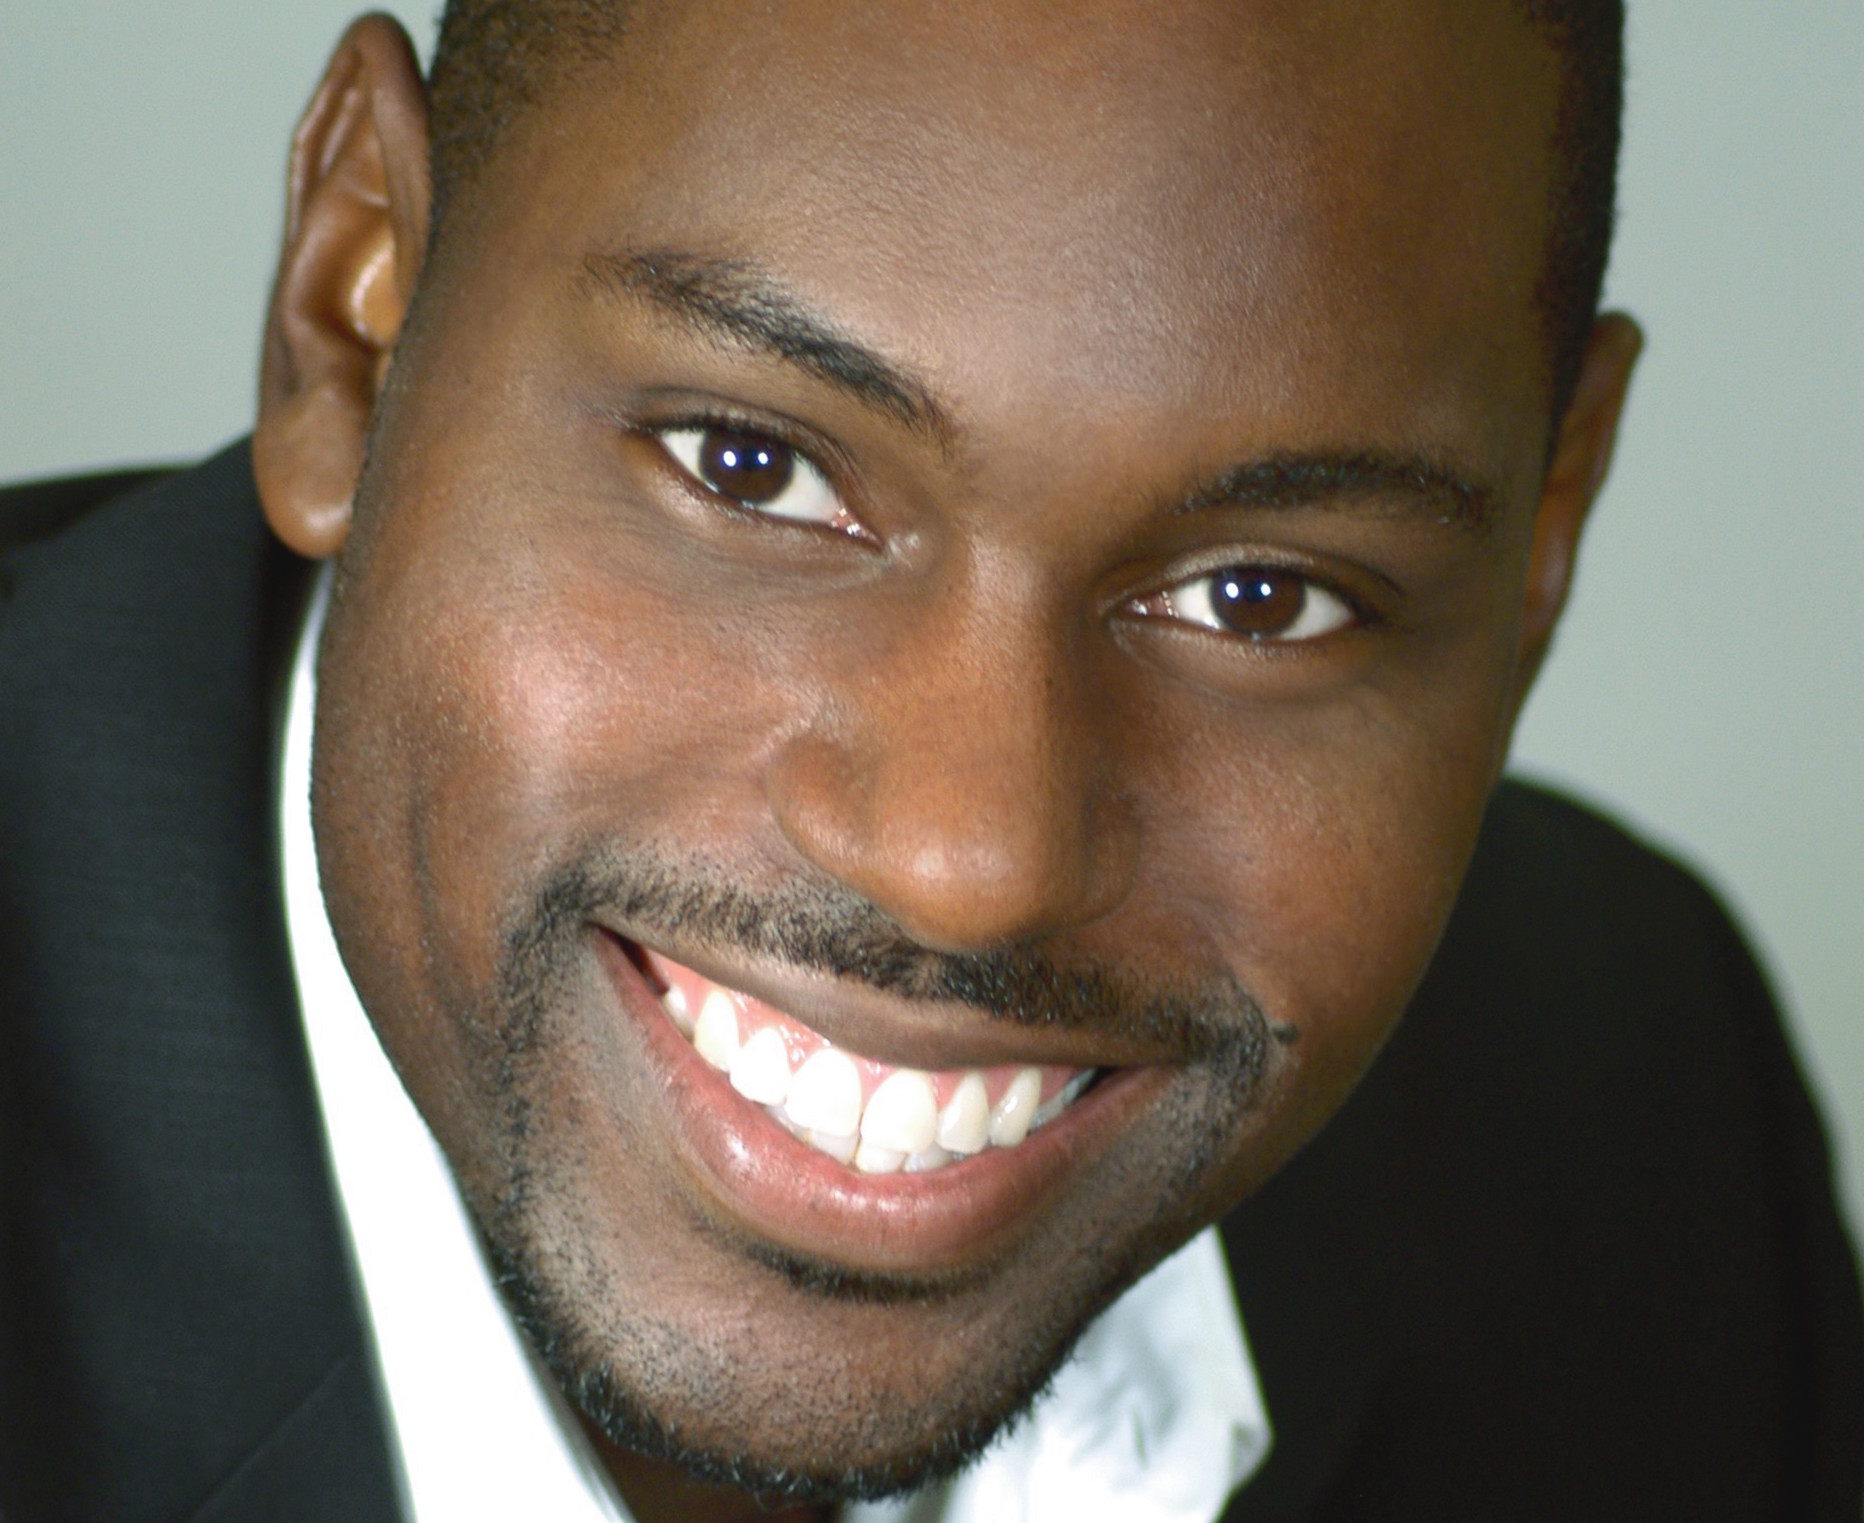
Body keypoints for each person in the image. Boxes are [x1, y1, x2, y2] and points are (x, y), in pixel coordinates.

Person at [3, 1, 1859, 1519]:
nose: (971, 862)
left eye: (1261, 595)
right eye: (751, 468)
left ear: (1545, 537)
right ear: (356, 315)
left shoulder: (1625, 1135)